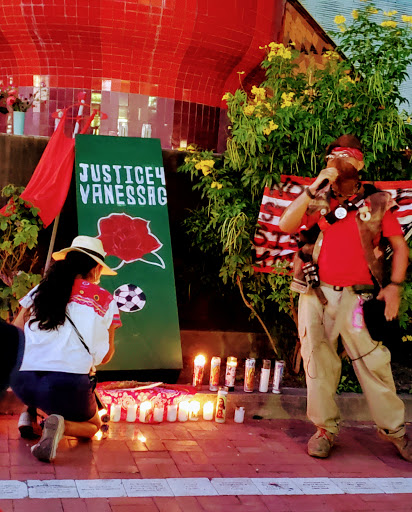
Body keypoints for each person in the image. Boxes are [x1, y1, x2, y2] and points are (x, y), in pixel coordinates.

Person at [279, 134, 411, 461]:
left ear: (360, 164)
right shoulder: (315, 198)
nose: (339, 160)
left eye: (347, 155)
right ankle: (325, 429)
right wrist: (314, 186)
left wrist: (394, 287)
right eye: (333, 156)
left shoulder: (377, 202)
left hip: (358, 299)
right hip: (316, 294)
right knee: (317, 364)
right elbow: (285, 224)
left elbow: (400, 247)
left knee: (373, 362)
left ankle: (395, 431)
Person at [11, 236, 121, 462]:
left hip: (23, 382)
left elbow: (15, 331)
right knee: (93, 426)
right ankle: (61, 424)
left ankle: (27, 415)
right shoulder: (105, 299)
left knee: (35, 362)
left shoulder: (41, 290)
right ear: (96, 268)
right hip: (66, 384)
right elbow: (105, 356)